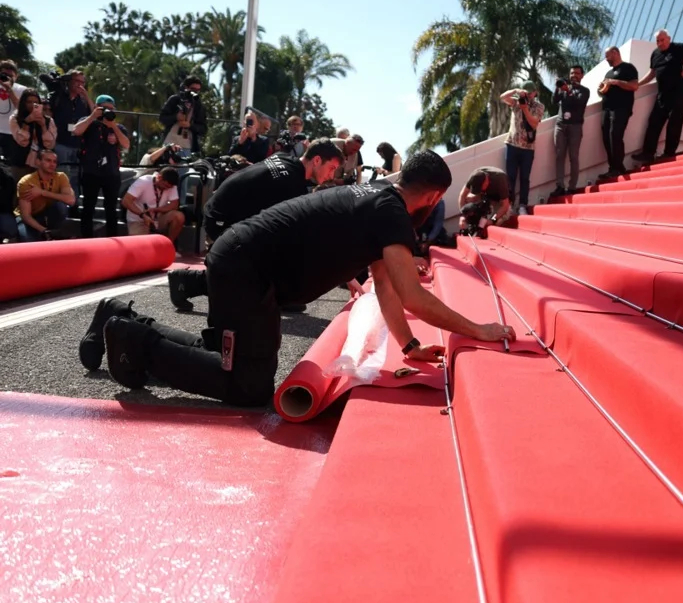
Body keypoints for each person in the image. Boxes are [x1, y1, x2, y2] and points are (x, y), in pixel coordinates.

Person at [83, 150, 515, 407]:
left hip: (247, 265)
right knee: (249, 386)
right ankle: (132, 344)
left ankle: (119, 317)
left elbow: (386, 286)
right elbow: (412, 298)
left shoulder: (379, 200)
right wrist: (480, 329)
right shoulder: (390, 212)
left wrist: (409, 346)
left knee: (230, 356)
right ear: (436, 195)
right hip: (245, 269)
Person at [167, 139, 345, 311]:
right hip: (221, 225)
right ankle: (186, 281)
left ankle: (275, 293)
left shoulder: (286, 159)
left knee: (281, 249)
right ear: (316, 160)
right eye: (332, 168)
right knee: (250, 285)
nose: (331, 176)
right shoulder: (291, 185)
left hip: (226, 215)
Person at [632, 30, 683, 164]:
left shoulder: (678, 48)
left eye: (662, 40)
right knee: (654, 122)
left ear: (669, 39)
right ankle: (648, 153)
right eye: (657, 41)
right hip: (662, 94)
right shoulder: (655, 53)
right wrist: (639, 84)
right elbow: (652, 72)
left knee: (675, 122)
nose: (660, 43)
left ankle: (669, 154)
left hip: (677, 91)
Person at [73, 95, 130, 238]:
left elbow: (126, 145)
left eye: (111, 109)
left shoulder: (118, 127)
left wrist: (114, 128)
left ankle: (112, 239)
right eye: (105, 108)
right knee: (88, 207)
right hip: (91, 171)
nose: (108, 111)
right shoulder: (89, 122)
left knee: (111, 209)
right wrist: (93, 116)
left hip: (111, 173)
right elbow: (76, 131)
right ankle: (86, 239)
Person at [500, 81, 545, 215]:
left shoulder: (539, 106)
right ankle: (509, 206)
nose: (529, 94)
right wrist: (515, 90)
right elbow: (502, 97)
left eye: (531, 92)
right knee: (510, 178)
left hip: (528, 148)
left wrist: (525, 108)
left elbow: (534, 124)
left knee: (525, 178)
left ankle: (522, 205)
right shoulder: (515, 102)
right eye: (527, 91)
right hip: (512, 145)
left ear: (535, 93)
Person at [50, 69, 93, 201]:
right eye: (77, 81)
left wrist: (86, 96)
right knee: (60, 173)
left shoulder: (84, 101)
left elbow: (95, 113)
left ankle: (73, 203)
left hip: (78, 144)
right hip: (60, 142)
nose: (80, 85)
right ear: (69, 81)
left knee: (75, 176)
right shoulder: (58, 97)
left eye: (82, 82)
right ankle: (58, 201)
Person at [14, 149, 75, 242]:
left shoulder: (61, 176)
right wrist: (44, 231)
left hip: (47, 215)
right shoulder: (26, 181)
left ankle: (55, 232)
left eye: (54, 161)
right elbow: (26, 216)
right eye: (48, 160)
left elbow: (71, 200)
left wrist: (42, 192)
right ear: (38, 162)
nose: (52, 164)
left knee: (61, 206)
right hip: (28, 219)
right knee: (29, 243)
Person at [597, 46, 639, 180]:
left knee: (615, 135)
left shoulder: (628, 68)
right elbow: (601, 92)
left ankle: (618, 167)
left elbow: (634, 86)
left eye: (607, 56)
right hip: (606, 108)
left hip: (621, 108)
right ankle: (613, 168)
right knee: (606, 138)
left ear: (615, 53)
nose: (606, 59)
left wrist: (615, 82)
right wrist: (600, 88)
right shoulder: (608, 73)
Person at [551, 65, 590, 197]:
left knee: (573, 157)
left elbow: (578, 103)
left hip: (575, 126)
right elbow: (554, 100)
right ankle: (560, 186)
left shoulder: (585, 91)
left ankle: (572, 186)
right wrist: (558, 88)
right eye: (572, 73)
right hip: (561, 125)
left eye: (577, 73)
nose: (574, 75)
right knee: (559, 156)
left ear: (582, 75)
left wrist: (568, 91)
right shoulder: (563, 88)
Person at [121, 167, 184, 242]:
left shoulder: (171, 186)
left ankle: (169, 245)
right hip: (139, 219)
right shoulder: (143, 181)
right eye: (165, 186)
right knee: (139, 248)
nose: (166, 189)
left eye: (169, 187)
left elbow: (174, 205)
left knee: (179, 216)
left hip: (158, 218)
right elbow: (126, 201)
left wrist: (156, 210)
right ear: (159, 177)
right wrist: (142, 215)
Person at [8, 89, 57, 179]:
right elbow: (22, 141)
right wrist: (27, 122)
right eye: (29, 102)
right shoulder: (15, 118)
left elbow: (50, 144)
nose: (33, 105)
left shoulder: (48, 120)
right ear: (24, 103)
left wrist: (43, 125)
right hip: (21, 161)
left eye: (35, 102)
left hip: (42, 163)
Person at [159, 76, 207, 157]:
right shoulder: (175, 99)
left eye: (198, 90)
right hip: (169, 143)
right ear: (186, 87)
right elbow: (162, 118)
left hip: (187, 146)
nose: (195, 92)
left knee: (184, 168)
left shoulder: (198, 105)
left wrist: (190, 126)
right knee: (166, 169)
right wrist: (176, 117)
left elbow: (203, 128)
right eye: (193, 89)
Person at [457, 166, 512, 238]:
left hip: (500, 201)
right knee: (468, 198)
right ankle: (473, 224)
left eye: (479, 188)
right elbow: (462, 195)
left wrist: (492, 220)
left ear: (486, 181)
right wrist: (463, 215)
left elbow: (505, 205)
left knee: (499, 221)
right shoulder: (474, 175)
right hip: (486, 196)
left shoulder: (500, 179)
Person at [0, 60, 27, 162]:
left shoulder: (22, 90)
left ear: (16, 76)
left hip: (12, 135)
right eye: (4, 75)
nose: (7, 78)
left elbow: (22, 110)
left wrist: (9, 90)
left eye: (11, 75)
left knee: (10, 167)